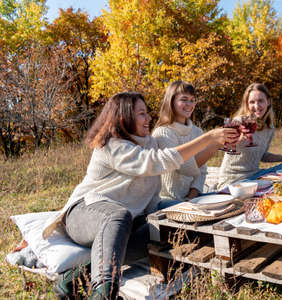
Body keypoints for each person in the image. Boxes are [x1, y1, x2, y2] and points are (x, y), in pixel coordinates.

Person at [42, 92, 239, 299]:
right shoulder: (111, 144)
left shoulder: (149, 143)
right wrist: (208, 137)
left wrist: (183, 208)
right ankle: (104, 293)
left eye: (147, 113)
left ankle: (74, 278)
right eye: (142, 114)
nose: (149, 118)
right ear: (123, 117)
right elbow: (154, 162)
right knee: (118, 216)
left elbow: (169, 180)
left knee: (177, 218)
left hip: (126, 222)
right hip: (84, 213)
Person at [217, 83, 282, 191]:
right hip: (234, 181)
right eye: (252, 102)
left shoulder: (269, 128)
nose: (256, 106)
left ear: (268, 102)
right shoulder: (239, 121)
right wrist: (238, 139)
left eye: (260, 101)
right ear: (247, 104)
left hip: (255, 176)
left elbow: (263, 155)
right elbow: (222, 145)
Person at [152, 81, 218, 203]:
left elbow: (201, 171)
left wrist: (191, 198)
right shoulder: (162, 133)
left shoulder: (197, 132)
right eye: (184, 99)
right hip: (167, 200)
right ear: (171, 102)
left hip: (192, 198)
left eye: (192, 100)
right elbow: (185, 168)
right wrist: (214, 145)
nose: (189, 104)